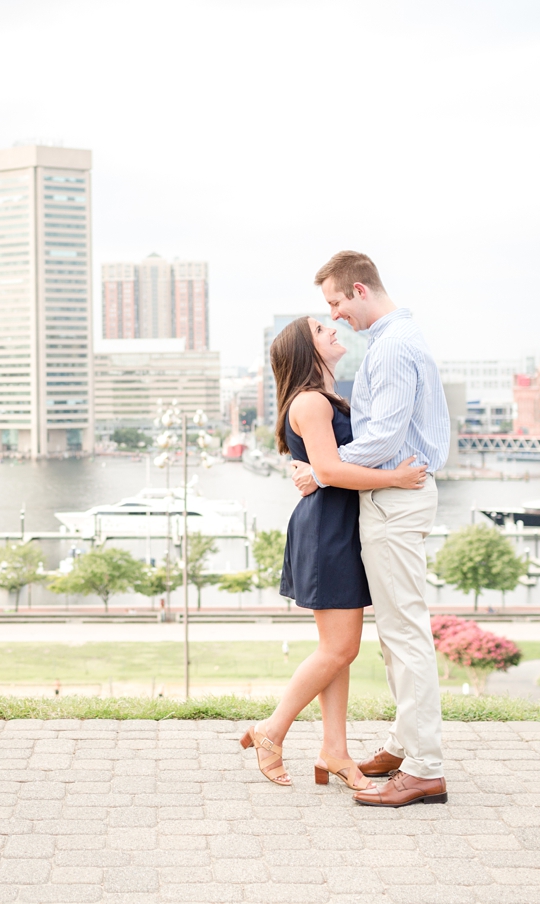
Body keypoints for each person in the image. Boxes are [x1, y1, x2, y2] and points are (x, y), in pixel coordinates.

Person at [292, 250, 451, 808]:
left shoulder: (390, 347)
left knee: (405, 635)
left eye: (335, 302)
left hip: (393, 499)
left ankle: (425, 766)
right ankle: (404, 745)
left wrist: (320, 469)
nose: (335, 316)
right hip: (394, 497)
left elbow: (382, 441)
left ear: (359, 291)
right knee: (396, 634)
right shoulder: (402, 337)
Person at [240, 316, 426, 789]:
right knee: (340, 648)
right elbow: (332, 470)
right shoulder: (310, 402)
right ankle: (271, 731)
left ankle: (335, 752)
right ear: (308, 348)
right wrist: (395, 478)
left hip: (337, 526)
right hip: (327, 531)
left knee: (337, 651)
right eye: (322, 328)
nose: (333, 330)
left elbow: (329, 465)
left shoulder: (323, 399)